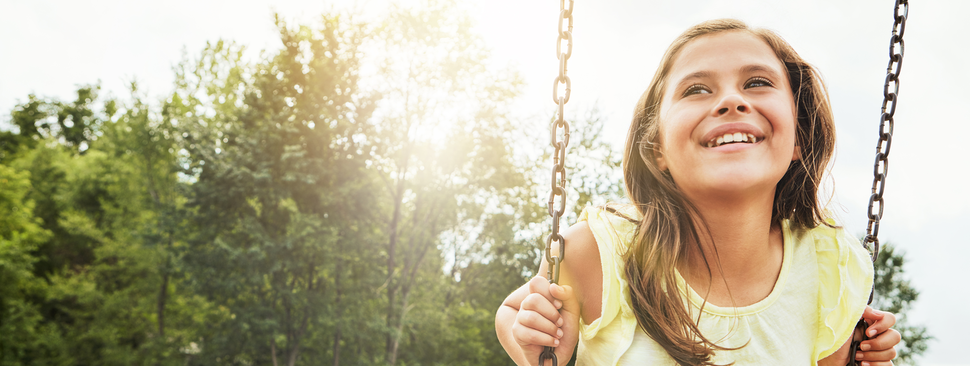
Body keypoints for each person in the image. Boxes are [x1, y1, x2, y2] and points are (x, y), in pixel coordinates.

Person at [496, 19, 902, 365]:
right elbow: (514, 310)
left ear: (798, 137)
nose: (731, 100)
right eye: (696, 90)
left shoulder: (830, 267)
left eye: (757, 83)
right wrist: (533, 341)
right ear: (656, 149)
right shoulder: (601, 252)